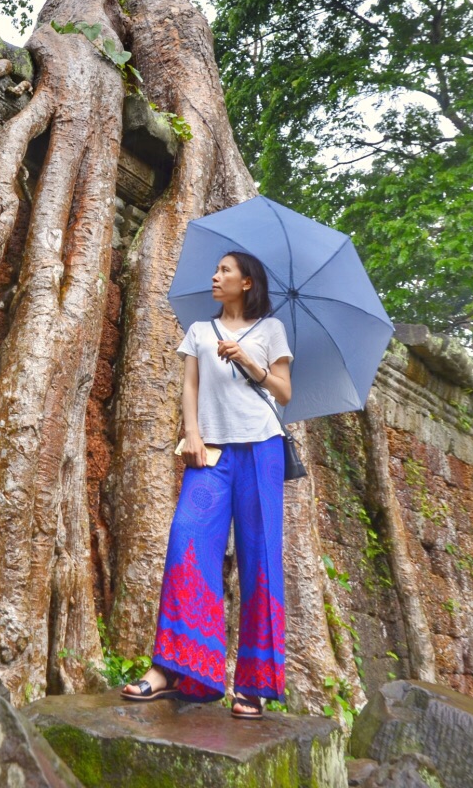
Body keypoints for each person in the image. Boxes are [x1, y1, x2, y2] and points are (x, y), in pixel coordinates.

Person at [121, 250, 293, 718]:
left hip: (262, 450)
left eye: (225, 271)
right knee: (186, 544)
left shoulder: (271, 330)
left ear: (248, 282)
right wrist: (191, 433)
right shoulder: (200, 331)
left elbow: (284, 390)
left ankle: (253, 686)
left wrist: (249, 362)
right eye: (215, 269)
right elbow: (190, 387)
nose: (215, 277)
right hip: (210, 453)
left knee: (261, 560)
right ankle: (176, 668)